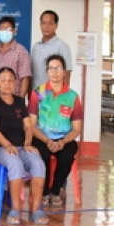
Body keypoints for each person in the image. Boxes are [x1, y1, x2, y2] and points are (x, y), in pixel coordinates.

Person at [0, 67, 47, 226]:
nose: (7, 83)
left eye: (11, 80)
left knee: (37, 162)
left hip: (21, 146)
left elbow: (28, 127)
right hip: (0, 148)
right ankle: (15, 209)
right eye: (3, 80)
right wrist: (7, 144)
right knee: (15, 162)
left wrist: (27, 143)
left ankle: (36, 209)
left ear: (16, 83)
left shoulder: (20, 101)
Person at [30, 54, 83, 207]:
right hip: (41, 137)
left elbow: (76, 128)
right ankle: (44, 191)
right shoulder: (38, 93)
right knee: (42, 155)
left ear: (64, 72)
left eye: (58, 68)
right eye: (51, 68)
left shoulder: (72, 96)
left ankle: (55, 190)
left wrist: (62, 141)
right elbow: (32, 125)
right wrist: (47, 140)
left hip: (65, 138)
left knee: (67, 155)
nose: (54, 72)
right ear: (47, 71)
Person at [0, 16, 32, 99]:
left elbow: (25, 79)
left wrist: (20, 101)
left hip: (13, 100)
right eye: (2, 29)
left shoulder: (21, 51)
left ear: (14, 31)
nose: (5, 32)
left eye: (8, 29)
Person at [31, 10, 73, 90]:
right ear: (40, 25)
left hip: (53, 96)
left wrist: (62, 97)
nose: (46, 26)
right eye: (43, 23)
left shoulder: (62, 47)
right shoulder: (36, 47)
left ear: (56, 25)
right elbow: (32, 73)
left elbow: (66, 75)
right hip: (36, 94)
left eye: (50, 23)